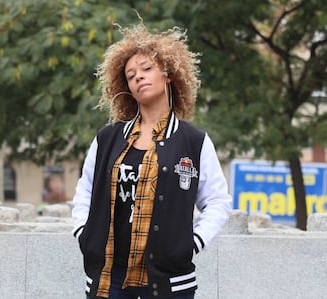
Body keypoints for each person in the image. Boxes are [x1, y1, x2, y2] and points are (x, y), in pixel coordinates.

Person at [72, 22, 232, 299]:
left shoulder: (192, 141)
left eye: (147, 69)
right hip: (109, 278)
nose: (138, 78)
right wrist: (84, 234)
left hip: (168, 280)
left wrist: (191, 243)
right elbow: (85, 190)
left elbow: (218, 201)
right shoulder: (107, 139)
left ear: (168, 74)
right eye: (130, 75)